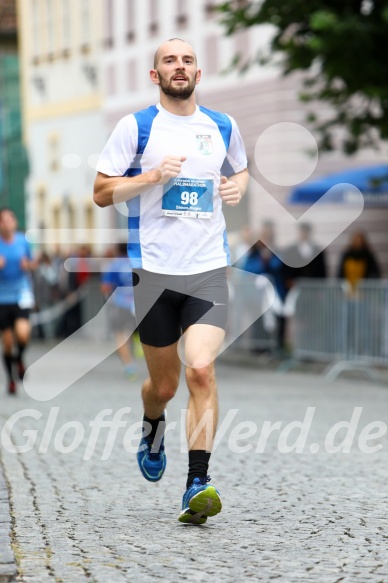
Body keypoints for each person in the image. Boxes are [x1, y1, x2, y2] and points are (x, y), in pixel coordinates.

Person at [94, 38, 248, 524]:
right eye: (169, 61)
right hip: (155, 273)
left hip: (207, 270)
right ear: (155, 75)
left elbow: (240, 170)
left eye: (186, 60)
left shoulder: (222, 125)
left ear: (198, 74)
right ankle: (152, 426)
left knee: (200, 370)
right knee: (163, 387)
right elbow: (101, 192)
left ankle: (197, 483)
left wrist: (235, 187)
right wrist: (152, 176)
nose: (178, 67)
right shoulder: (136, 127)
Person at [0, 208, 35, 394]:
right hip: (1, 297)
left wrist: (27, 265)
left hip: (21, 293)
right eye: (3, 220)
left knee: (23, 334)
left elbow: (33, 262)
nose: (7, 223)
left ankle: (19, 358)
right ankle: (10, 380)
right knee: (7, 342)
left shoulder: (23, 240)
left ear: (14, 222)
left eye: (10, 219)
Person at [100, 243, 139, 378]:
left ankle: (129, 367)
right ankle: (139, 343)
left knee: (120, 335)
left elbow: (105, 287)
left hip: (120, 303)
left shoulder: (114, 265)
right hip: (137, 303)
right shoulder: (139, 263)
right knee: (136, 331)